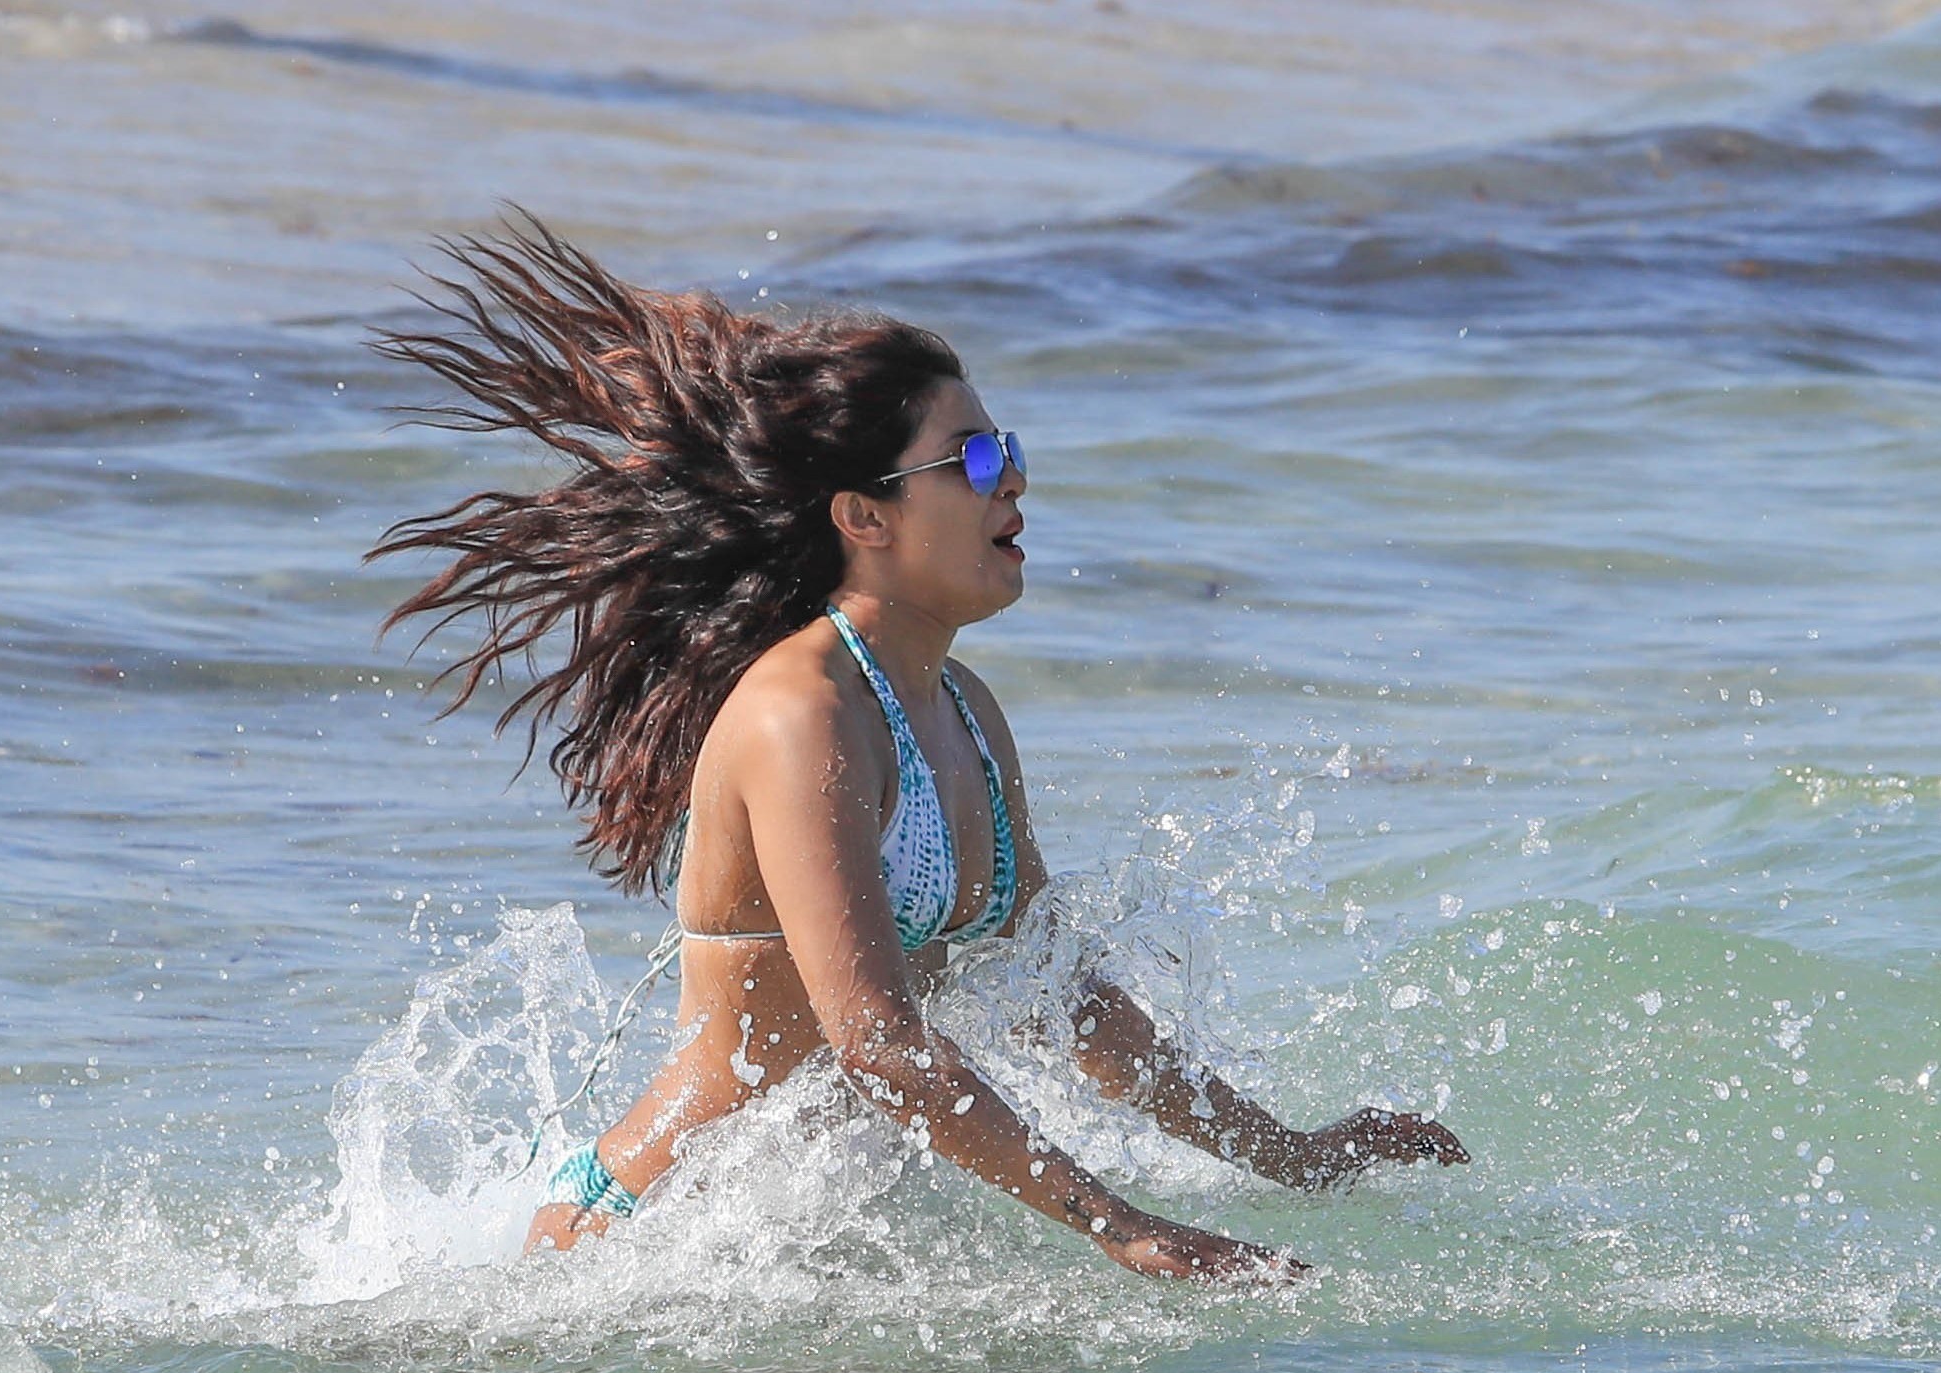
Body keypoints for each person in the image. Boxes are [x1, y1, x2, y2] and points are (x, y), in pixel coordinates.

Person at [370, 215, 1466, 1281]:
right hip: (651, 1247)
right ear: (864, 516)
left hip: (797, 1250)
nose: (1014, 480)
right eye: (974, 458)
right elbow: (877, 1044)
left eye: (1010, 450)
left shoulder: (965, 710)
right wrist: (1122, 1227)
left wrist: (1295, 1155)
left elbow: (1063, 1004)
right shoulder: (800, 714)